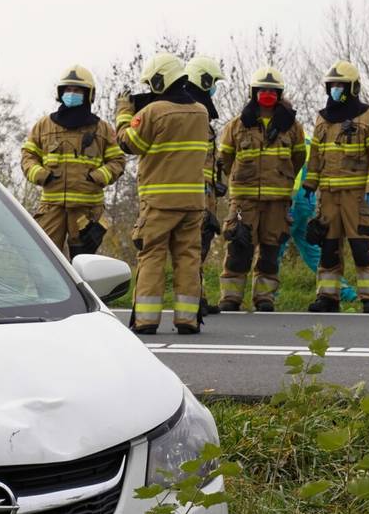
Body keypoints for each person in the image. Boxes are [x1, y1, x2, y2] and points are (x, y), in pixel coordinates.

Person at [116, 53, 212, 334]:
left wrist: (124, 114)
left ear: (161, 79)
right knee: (188, 258)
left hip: (159, 202)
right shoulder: (201, 112)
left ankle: (146, 320)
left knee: (152, 256)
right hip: (193, 202)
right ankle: (187, 319)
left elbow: (127, 143)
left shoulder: (152, 112)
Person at [217, 67, 306, 312]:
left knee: (270, 250)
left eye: (272, 91)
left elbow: (299, 158)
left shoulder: (292, 127)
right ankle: (231, 298)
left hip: (277, 201)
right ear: (254, 92)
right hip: (244, 201)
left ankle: (264, 297)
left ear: (279, 94)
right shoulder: (236, 125)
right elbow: (224, 158)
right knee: (238, 248)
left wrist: (282, 181)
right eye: (262, 90)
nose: (267, 94)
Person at [303, 60, 369, 313]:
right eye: (332, 86)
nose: (335, 90)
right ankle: (328, 297)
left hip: (358, 197)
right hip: (328, 196)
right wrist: (310, 182)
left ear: (352, 88)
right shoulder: (323, 118)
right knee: (328, 248)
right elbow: (316, 154)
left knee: (362, 248)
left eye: (340, 86)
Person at [20, 66, 123, 256]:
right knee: (45, 259)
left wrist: (98, 176)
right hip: (52, 208)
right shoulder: (44, 126)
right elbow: (28, 156)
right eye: (68, 90)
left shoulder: (102, 129)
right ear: (60, 93)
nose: (71, 94)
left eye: (77, 90)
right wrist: (41, 175)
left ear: (88, 94)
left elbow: (117, 160)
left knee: (83, 264)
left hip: (87, 211)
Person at [183, 55, 227, 316]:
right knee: (193, 245)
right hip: (195, 194)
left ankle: (197, 295)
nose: (215, 89)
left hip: (205, 192)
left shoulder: (199, 112)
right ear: (204, 80)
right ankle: (192, 299)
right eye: (213, 83)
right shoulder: (193, 112)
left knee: (201, 244)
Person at [278, 161, 358, 303]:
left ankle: (267, 295)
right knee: (311, 250)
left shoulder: (288, 139)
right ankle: (345, 291)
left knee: (274, 246)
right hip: (306, 200)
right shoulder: (308, 143)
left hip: (291, 201)